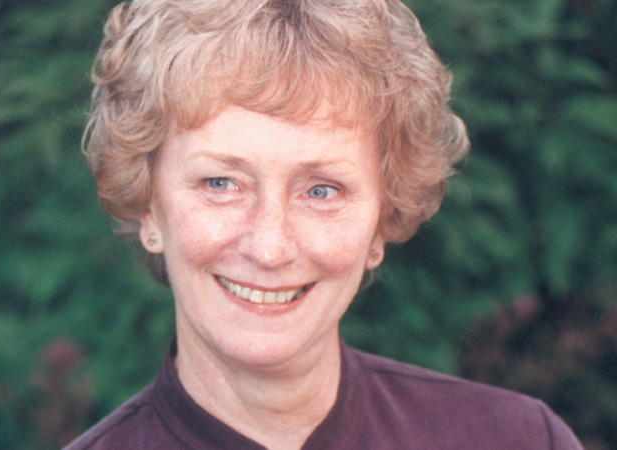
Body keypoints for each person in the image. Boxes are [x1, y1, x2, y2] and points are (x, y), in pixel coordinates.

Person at [66, 0, 584, 449]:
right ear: (148, 206)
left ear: (383, 219)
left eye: (321, 191)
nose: (269, 247)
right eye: (221, 183)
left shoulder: (518, 440)